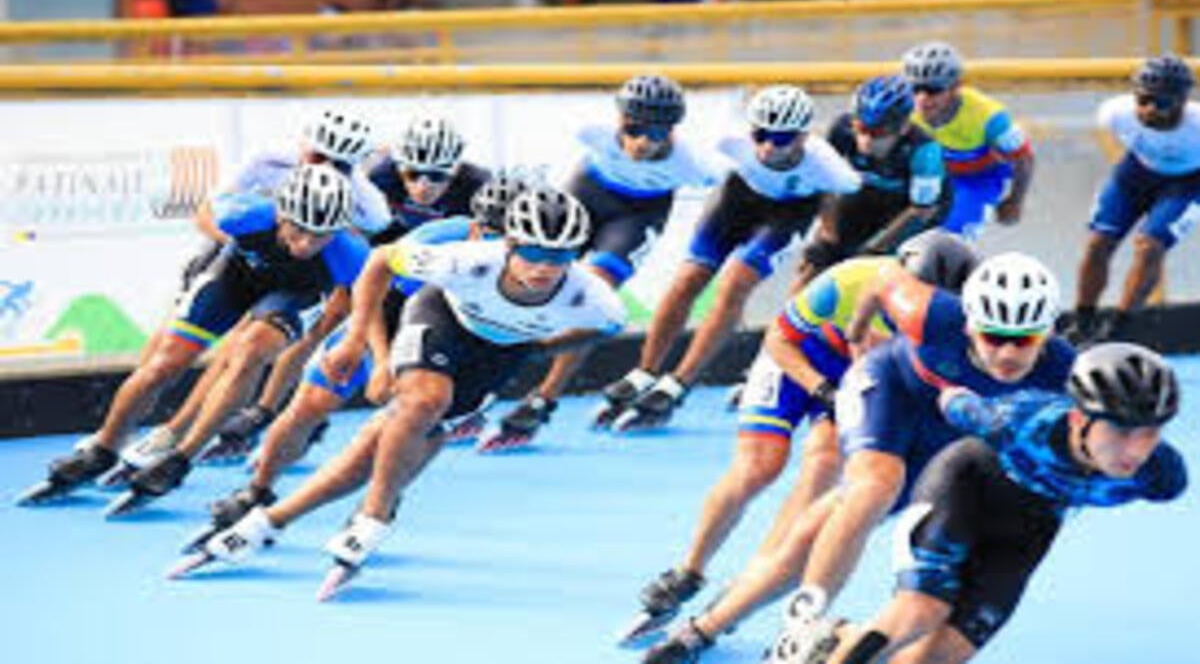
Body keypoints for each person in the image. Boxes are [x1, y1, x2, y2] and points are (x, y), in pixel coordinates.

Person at [170, 187, 626, 602]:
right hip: (441, 318)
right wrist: (371, 352)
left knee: (379, 446)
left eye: (560, 255)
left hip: (497, 356)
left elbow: (606, 329)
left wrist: (540, 348)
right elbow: (378, 263)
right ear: (509, 243)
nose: (545, 266)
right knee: (423, 401)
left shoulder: (595, 299)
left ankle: (266, 523)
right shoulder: (466, 258)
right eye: (531, 251)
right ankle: (373, 517)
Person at [645, 252, 1073, 662]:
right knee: (872, 488)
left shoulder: (1064, 372)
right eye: (994, 337)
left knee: (814, 534)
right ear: (968, 325)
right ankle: (803, 622)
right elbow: (884, 277)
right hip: (889, 388)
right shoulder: (931, 313)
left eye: (1025, 340)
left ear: (1049, 332)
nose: (1008, 354)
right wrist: (856, 331)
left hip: (941, 437)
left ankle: (706, 625)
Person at [622, 231, 978, 648]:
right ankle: (689, 570)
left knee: (824, 465)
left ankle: (755, 575)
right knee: (759, 467)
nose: (923, 310)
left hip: (858, 374)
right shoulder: (848, 280)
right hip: (798, 360)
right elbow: (779, 338)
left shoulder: (951, 317)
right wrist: (821, 389)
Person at [177, 174, 525, 555]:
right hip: (387, 320)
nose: (493, 244)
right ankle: (256, 491)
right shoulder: (436, 240)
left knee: (420, 427)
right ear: (473, 224)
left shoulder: (530, 267)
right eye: (487, 231)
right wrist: (371, 354)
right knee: (308, 406)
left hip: (451, 341)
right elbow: (371, 291)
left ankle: (380, 503)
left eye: (505, 237)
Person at [780, 342, 1185, 664]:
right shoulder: (1022, 420)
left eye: (1150, 433)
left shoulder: (1161, 476)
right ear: (1079, 419)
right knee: (920, 611)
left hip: (1029, 527)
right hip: (964, 487)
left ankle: (837, 640)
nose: (1135, 449)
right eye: (1120, 430)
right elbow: (954, 402)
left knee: (940, 654)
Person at [17, 165, 369, 517]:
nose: (306, 244)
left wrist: (348, 337)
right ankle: (103, 448)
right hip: (236, 273)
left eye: (320, 236)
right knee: (163, 365)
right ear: (280, 215)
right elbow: (205, 214)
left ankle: (182, 458)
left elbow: (360, 297)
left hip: (294, 292)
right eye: (299, 230)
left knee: (251, 354)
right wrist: (231, 250)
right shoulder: (245, 214)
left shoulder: (350, 255)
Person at [97, 109, 387, 483]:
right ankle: (113, 438)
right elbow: (209, 216)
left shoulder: (368, 208)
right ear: (304, 146)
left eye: (341, 165)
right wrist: (258, 249)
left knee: (251, 349)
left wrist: (359, 346)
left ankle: (180, 439)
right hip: (247, 253)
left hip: (304, 280)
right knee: (170, 355)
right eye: (318, 157)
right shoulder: (265, 171)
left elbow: (357, 290)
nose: (328, 167)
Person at [194, 113, 490, 464]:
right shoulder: (380, 178)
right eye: (412, 174)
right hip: (375, 261)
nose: (424, 185)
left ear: (455, 170)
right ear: (399, 165)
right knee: (325, 318)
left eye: (438, 176)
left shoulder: (477, 189)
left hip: (435, 271)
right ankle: (264, 409)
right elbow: (350, 243)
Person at [599, 84, 861, 433]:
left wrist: (826, 238)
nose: (768, 146)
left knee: (734, 286)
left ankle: (679, 382)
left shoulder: (829, 165)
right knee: (686, 281)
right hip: (734, 204)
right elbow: (683, 163)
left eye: (781, 139)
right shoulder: (729, 143)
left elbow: (836, 197)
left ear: (802, 137)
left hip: (786, 217)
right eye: (761, 135)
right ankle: (645, 371)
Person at [478, 74, 719, 451]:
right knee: (532, 282)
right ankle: (483, 375)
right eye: (634, 129)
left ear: (672, 131)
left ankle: (543, 398)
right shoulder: (592, 134)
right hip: (587, 195)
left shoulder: (693, 164)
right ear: (619, 120)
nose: (641, 142)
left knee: (588, 296)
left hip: (637, 218)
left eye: (655, 134)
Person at [1064, 54, 1200, 344]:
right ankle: (1082, 321)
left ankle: (1120, 328)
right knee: (1098, 243)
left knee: (1149, 248)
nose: (1150, 110)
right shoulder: (1115, 113)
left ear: (1181, 101)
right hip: (1136, 173)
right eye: (1143, 100)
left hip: (1189, 182)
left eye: (1162, 103)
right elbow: (1110, 140)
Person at [797, 75, 949, 287]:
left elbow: (921, 210)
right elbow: (825, 186)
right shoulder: (841, 130)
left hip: (913, 209)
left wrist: (875, 248)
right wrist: (827, 236)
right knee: (816, 260)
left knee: (882, 272)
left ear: (902, 128)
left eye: (878, 133)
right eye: (861, 129)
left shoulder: (925, 151)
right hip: (868, 192)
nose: (866, 141)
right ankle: (788, 317)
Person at [902, 41, 1034, 240]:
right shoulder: (903, 107)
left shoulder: (989, 117)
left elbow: (1024, 159)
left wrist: (1015, 202)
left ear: (955, 87)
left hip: (978, 178)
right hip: (935, 173)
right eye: (915, 88)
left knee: (948, 237)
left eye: (933, 90)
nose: (922, 98)